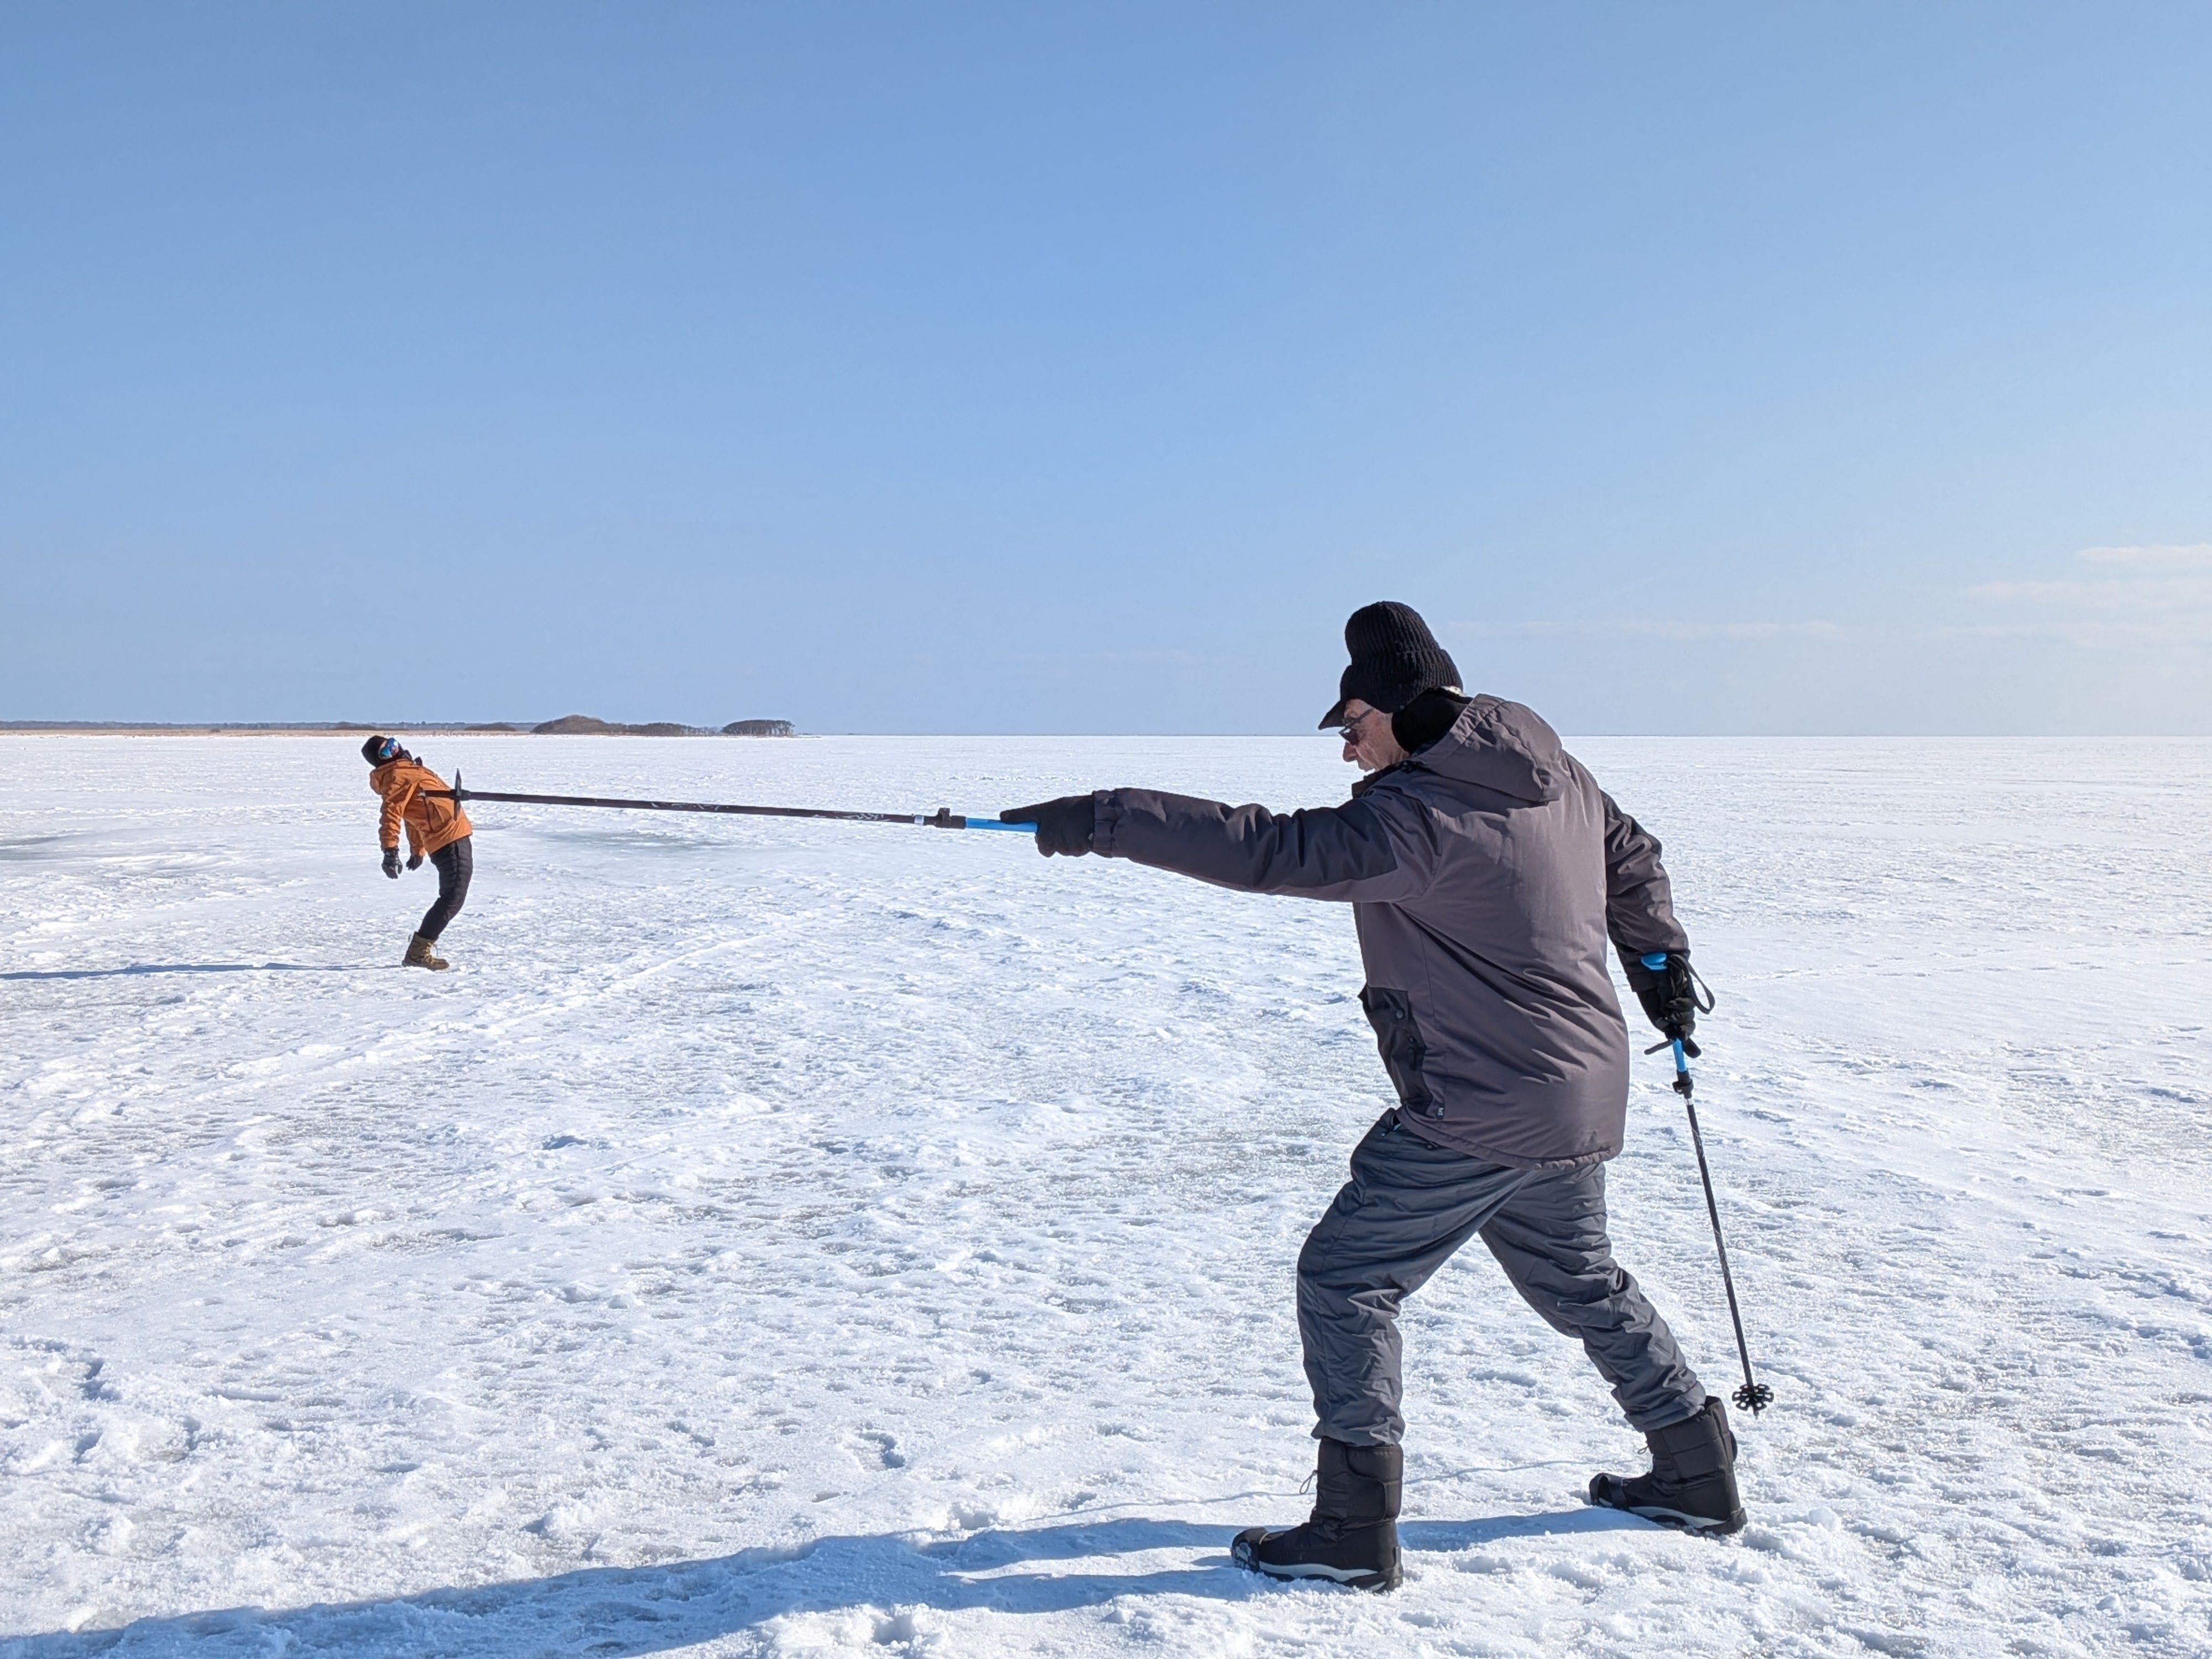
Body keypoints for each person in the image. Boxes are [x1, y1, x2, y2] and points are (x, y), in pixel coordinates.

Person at [1001, 601, 1741, 1593]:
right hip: (1578, 1091)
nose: (1346, 748)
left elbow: (1270, 850)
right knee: (1578, 1280)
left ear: (1400, 708)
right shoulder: (1559, 774)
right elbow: (1631, 860)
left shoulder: (1418, 815)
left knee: (1346, 1278)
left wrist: (1105, 820)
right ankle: (1696, 1469)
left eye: (1351, 723)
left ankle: (1353, 1531)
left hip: (1484, 1102)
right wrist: (1658, 965)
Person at [362, 735, 473, 971]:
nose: (394, 751)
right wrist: (390, 850)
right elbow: (392, 814)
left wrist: (417, 848)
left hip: (450, 835)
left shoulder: (408, 770)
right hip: (448, 839)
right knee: (452, 899)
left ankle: (418, 951)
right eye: (386, 752)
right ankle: (418, 952)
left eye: (393, 744)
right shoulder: (397, 775)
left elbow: (414, 812)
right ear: (379, 762)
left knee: (453, 898)